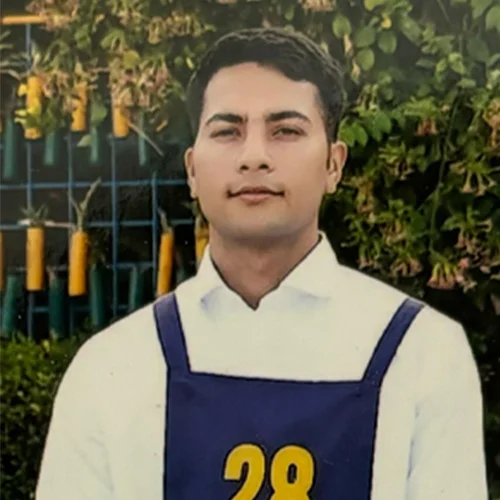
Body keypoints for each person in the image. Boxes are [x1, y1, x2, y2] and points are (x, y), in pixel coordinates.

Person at [36, 27, 488, 500]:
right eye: (227, 131)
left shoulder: (421, 354)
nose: (254, 157)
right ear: (192, 169)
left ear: (334, 164)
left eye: (286, 131)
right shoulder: (114, 367)